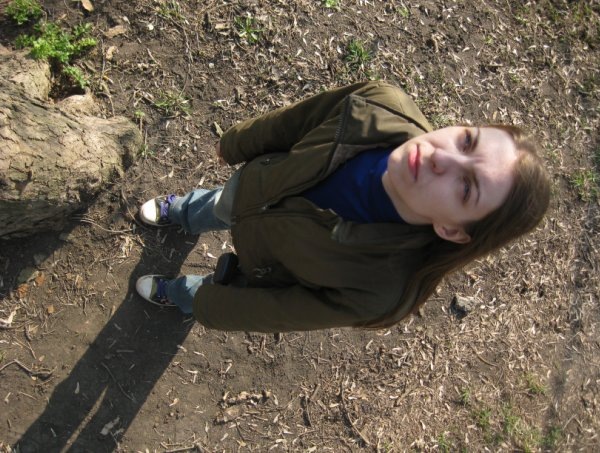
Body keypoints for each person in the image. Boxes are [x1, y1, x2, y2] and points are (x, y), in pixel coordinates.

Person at [134, 81, 550, 332]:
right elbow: (296, 121)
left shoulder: (381, 291)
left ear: (453, 230)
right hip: (251, 188)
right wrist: (237, 143)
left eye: (466, 187)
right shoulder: (381, 105)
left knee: (216, 289)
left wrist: (208, 306)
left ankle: (180, 293)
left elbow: (280, 311)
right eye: (467, 141)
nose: (442, 157)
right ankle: (183, 212)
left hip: (263, 266)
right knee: (219, 204)